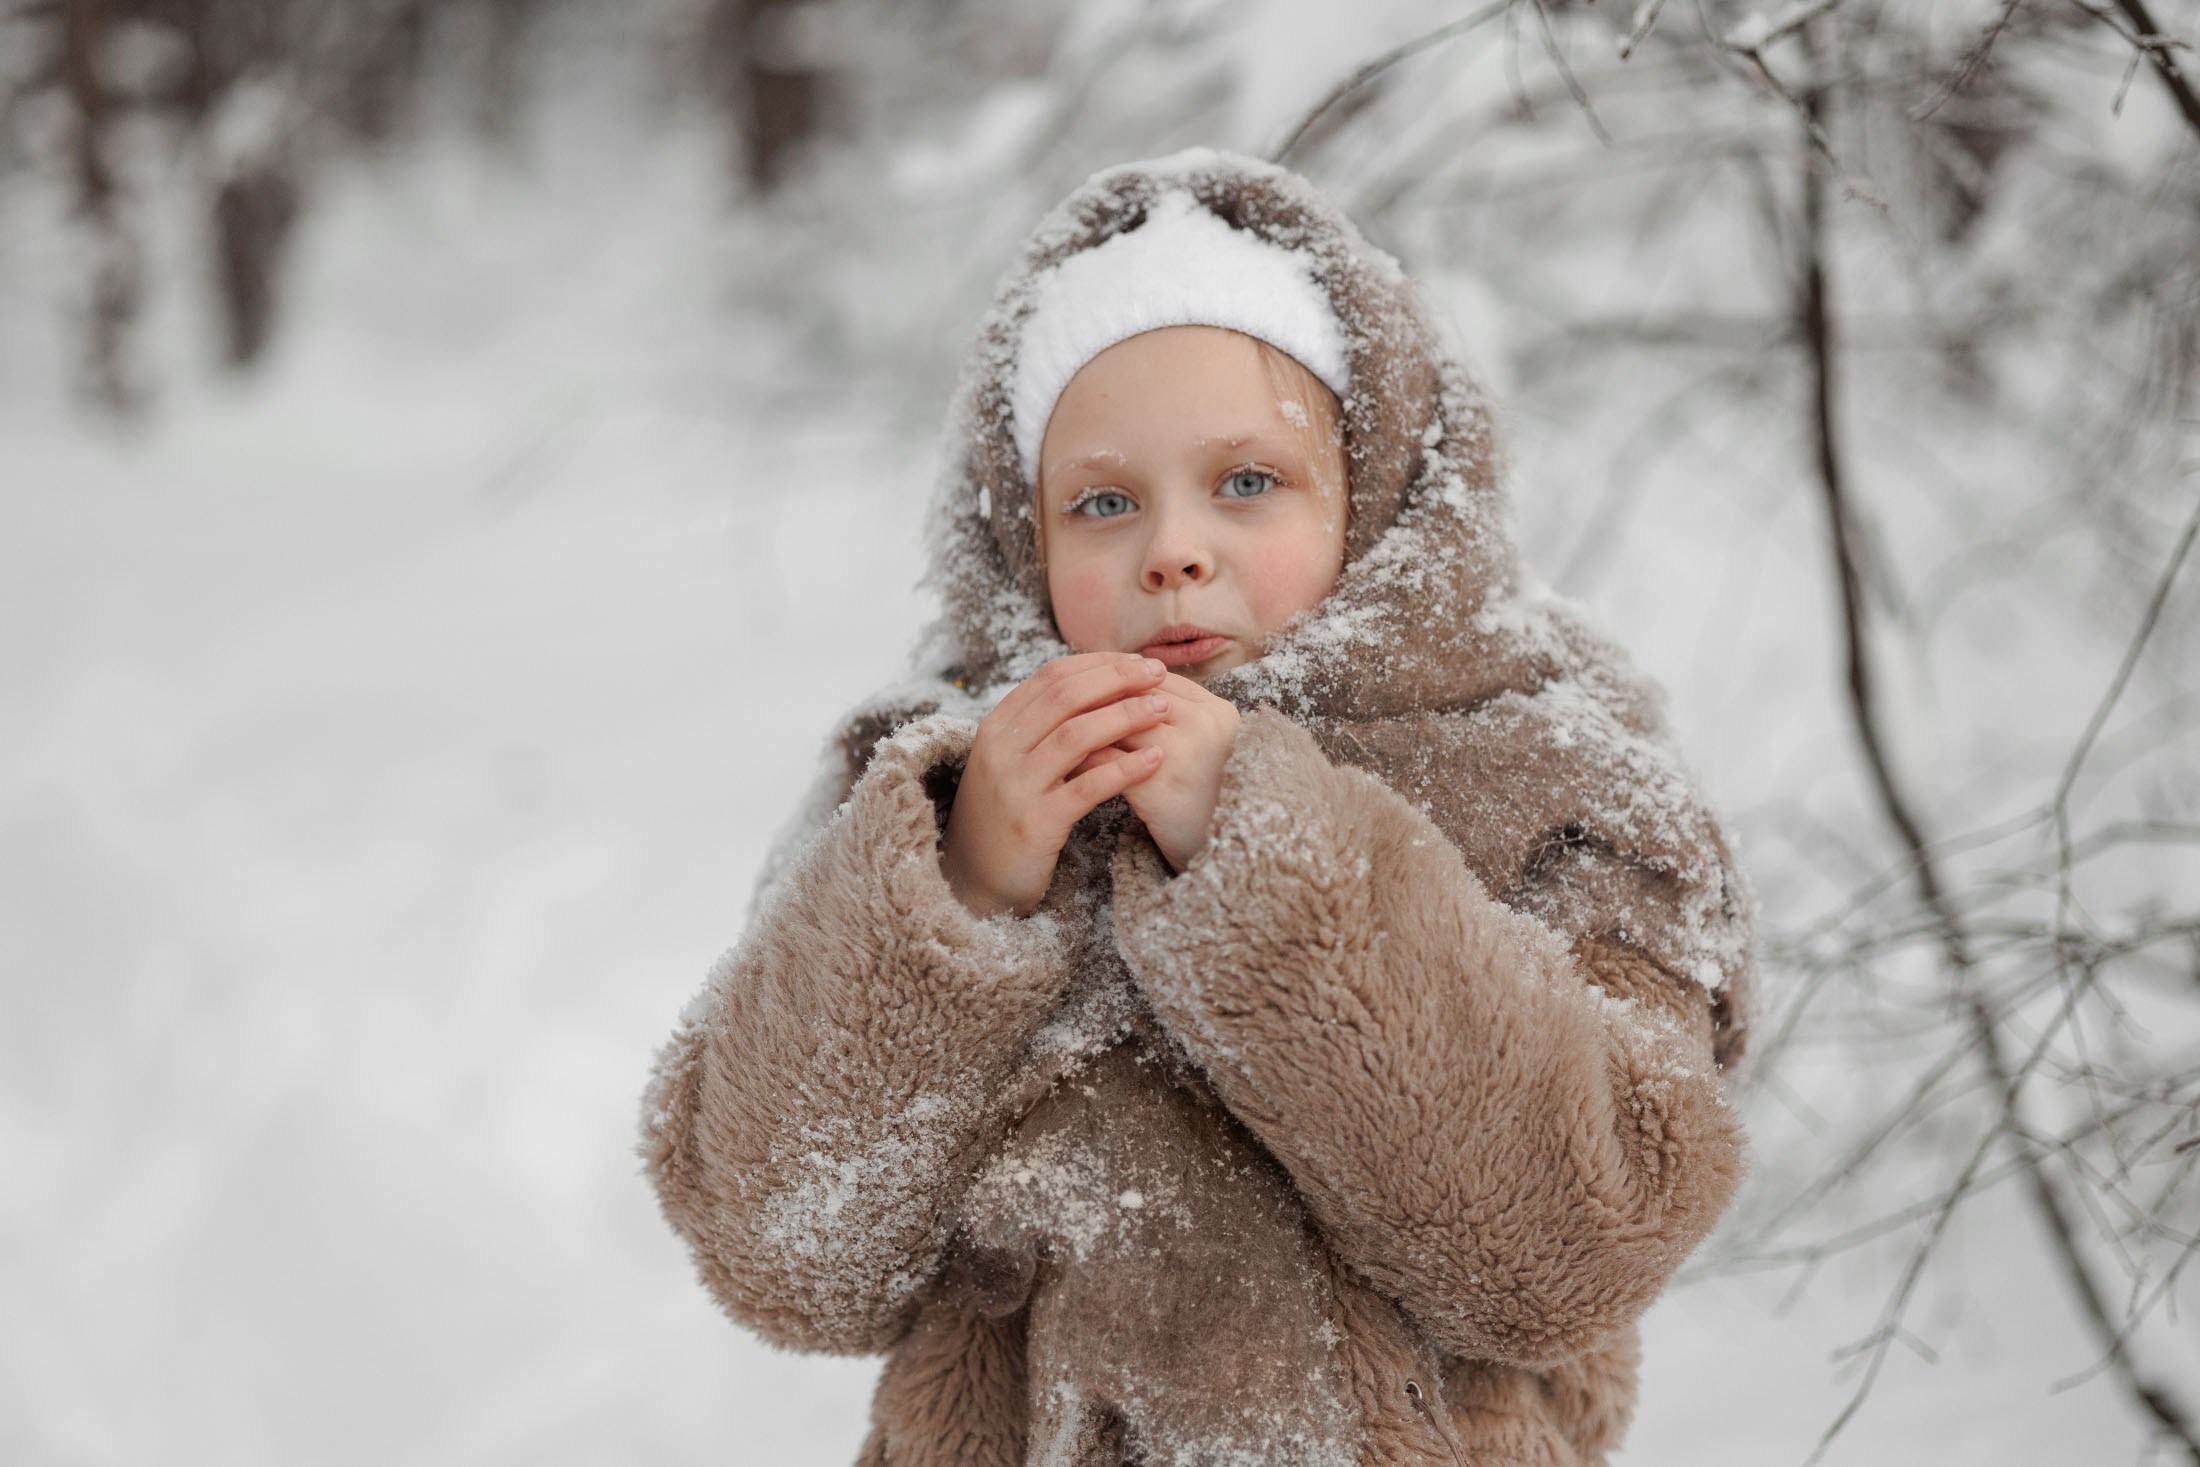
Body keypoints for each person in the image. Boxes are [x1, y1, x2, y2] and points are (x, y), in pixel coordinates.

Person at [640, 149, 1754, 1467]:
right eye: (1104, 502)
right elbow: (781, 1251)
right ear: (1023, 534)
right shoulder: (927, 791)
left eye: (1247, 482)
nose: (1172, 550)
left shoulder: (1548, 774)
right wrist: (962, 891)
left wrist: (1273, 864)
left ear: (1376, 484)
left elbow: (1577, 1245)